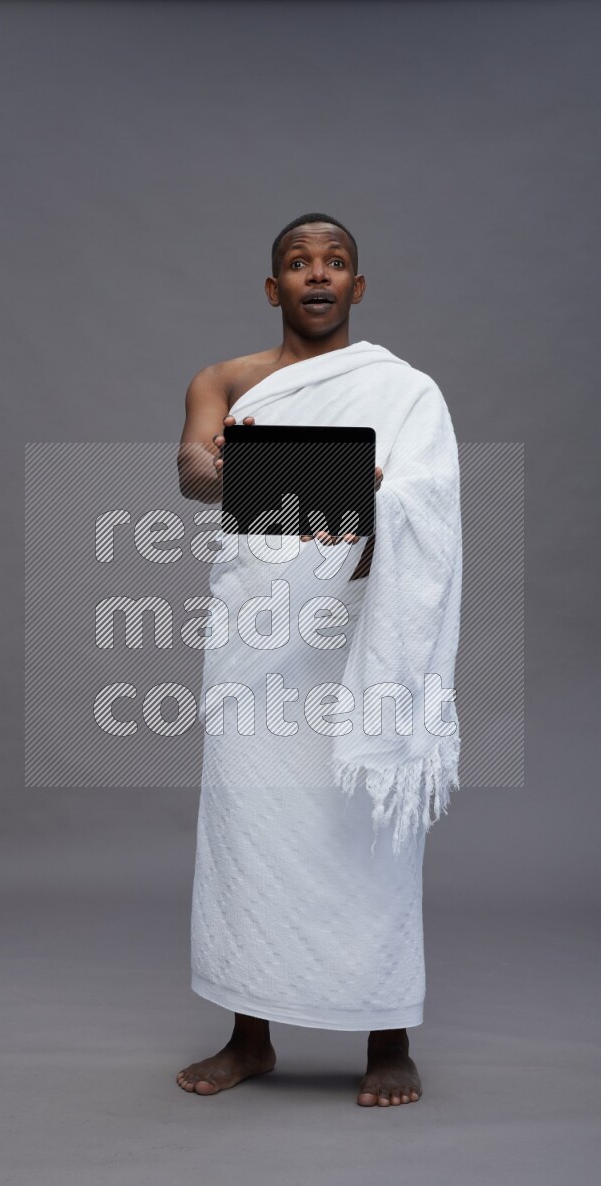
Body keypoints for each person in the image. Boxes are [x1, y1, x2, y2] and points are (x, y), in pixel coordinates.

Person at [176, 212, 458, 1108]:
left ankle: (388, 1034)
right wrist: (295, 476)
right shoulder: (224, 379)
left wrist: (320, 481)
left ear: (358, 286)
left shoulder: (405, 391)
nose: (318, 274)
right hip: (260, 630)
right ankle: (249, 1035)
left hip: (359, 629)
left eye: (335, 262)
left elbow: (423, 499)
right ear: (274, 287)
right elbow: (194, 471)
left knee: (367, 828)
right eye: (299, 263)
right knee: (250, 825)